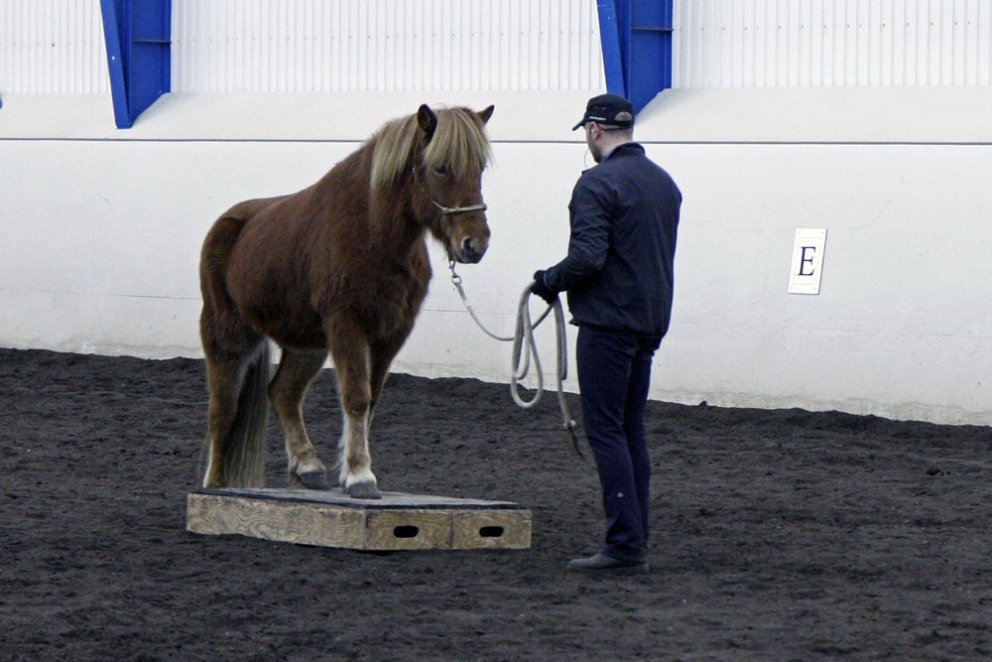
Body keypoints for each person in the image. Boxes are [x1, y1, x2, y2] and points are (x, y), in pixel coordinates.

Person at [531, 93, 681, 574]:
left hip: (608, 323)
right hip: (650, 319)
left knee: (606, 431)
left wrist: (548, 281)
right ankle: (635, 536)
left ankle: (623, 544)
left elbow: (588, 258)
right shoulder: (664, 184)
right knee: (631, 428)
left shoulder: (595, 185)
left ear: (594, 131)